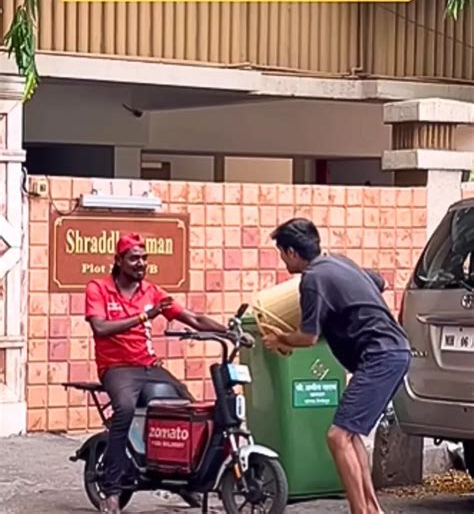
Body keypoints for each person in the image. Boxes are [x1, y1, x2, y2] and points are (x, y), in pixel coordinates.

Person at [263, 218, 411, 514]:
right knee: (350, 434)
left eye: (281, 253)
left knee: (337, 436)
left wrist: (281, 338)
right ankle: (371, 509)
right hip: (393, 352)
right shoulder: (339, 263)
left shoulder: (313, 279)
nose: (282, 260)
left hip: (380, 356)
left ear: (292, 252)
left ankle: (360, 511)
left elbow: (308, 336)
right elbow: (378, 281)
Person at [85, 232, 227, 514]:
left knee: (189, 406)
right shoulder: (98, 288)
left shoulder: (151, 292)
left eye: (144, 258)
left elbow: (193, 319)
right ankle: (112, 491)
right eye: (134, 258)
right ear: (119, 260)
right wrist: (144, 317)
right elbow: (100, 328)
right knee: (124, 410)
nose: (141, 263)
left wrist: (231, 331)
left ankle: (184, 479)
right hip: (116, 368)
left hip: (149, 366)